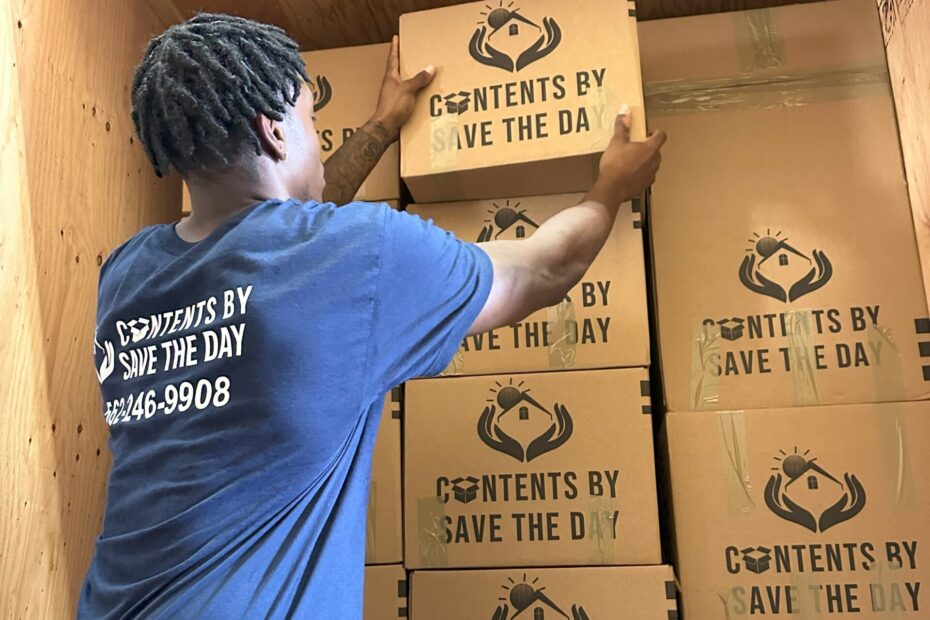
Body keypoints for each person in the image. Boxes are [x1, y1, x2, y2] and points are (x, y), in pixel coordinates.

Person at [81, 12, 666, 619]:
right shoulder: (358, 256)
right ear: (274, 131)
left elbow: (282, 247)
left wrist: (383, 126)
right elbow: (542, 270)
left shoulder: (125, 275)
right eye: (312, 120)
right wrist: (610, 190)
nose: (317, 138)